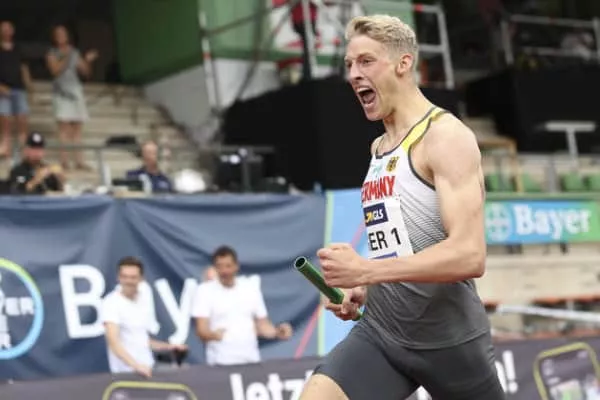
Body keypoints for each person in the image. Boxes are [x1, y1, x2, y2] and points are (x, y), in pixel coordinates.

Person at [299, 15, 505, 400]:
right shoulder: (379, 148)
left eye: (366, 61)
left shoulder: (445, 137)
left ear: (403, 63)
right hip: (384, 333)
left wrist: (367, 270)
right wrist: (363, 286)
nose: (354, 74)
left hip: (449, 340)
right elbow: (401, 248)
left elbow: (469, 254)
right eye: (349, 65)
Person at [191, 245, 293, 366]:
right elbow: (201, 330)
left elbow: (263, 325)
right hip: (220, 363)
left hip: (251, 360)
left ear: (236, 266)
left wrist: (277, 332)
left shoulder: (250, 289)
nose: (224, 271)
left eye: (228, 266)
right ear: (215, 268)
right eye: (219, 266)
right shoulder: (204, 291)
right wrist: (213, 335)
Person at [101, 256, 188, 377]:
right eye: (124, 277)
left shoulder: (143, 298)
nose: (128, 281)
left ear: (141, 278)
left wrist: (169, 347)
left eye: (133, 277)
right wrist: (136, 366)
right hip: (125, 373)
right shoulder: (111, 302)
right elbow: (114, 343)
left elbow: (142, 340)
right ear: (118, 278)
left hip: (149, 368)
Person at [46, 24, 98, 171]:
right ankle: (64, 161)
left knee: (77, 128)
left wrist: (87, 60)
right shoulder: (51, 53)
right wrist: (67, 56)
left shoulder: (75, 52)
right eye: (58, 34)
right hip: (61, 92)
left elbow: (85, 72)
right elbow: (55, 70)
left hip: (75, 90)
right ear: (54, 38)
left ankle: (80, 161)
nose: (61, 36)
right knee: (64, 128)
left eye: (63, 33)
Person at [0, 21, 33, 158]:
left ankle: (24, 147)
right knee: (5, 119)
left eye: (8, 28)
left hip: (19, 88)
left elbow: (24, 68)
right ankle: (5, 147)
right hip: (3, 89)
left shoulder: (18, 48)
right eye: (3, 28)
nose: (6, 31)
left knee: (22, 119)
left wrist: (30, 86)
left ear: (12, 31)